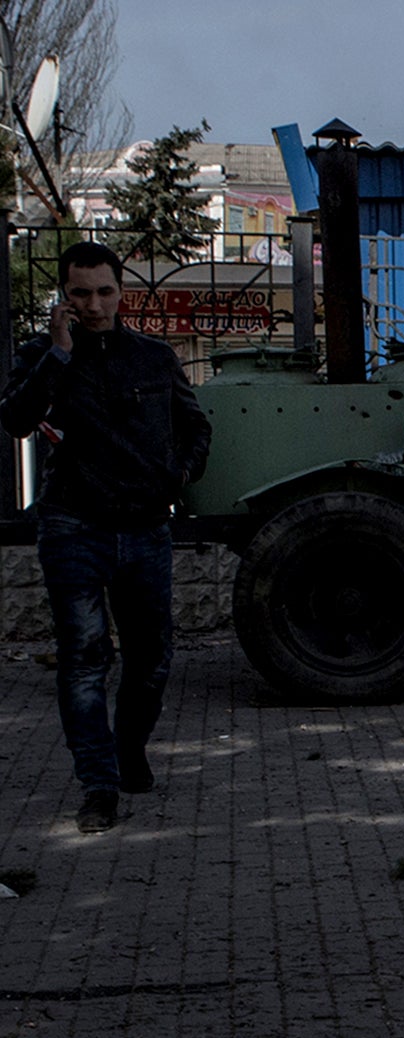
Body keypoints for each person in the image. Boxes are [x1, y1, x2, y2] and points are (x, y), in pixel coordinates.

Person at [1, 240, 211, 834]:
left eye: (104, 292)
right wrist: (59, 356)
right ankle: (98, 785)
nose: (93, 305)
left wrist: (179, 471)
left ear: (122, 293)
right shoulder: (43, 355)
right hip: (73, 525)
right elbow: (14, 419)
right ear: (64, 297)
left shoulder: (152, 356)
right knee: (85, 657)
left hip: (144, 525)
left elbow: (195, 425)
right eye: (80, 294)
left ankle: (128, 751)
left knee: (151, 658)